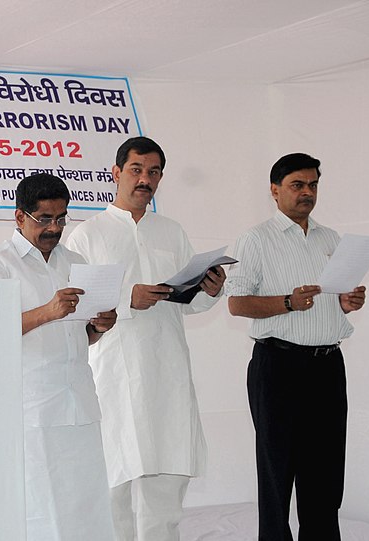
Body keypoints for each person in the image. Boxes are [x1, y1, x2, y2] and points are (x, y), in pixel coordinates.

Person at [65, 136, 225, 541]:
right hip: (113, 375)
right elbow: (76, 305)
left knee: (165, 490)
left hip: (167, 371)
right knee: (112, 486)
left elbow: (186, 305)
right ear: (116, 173)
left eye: (153, 173)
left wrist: (208, 291)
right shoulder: (88, 235)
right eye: (136, 170)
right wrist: (127, 297)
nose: (145, 180)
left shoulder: (171, 232)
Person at [225, 153, 366, 540]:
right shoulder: (255, 239)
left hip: (327, 366)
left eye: (313, 185)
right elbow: (237, 303)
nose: (307, 193)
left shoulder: (330, 239)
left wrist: (349, 301)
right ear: (274, 191)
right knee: (277, 473)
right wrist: (287, 301)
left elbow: (339, 298)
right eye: (297, 185)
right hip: (278, 366)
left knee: (325, 473)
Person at [0, 173, 117, 541]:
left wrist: (100, 326)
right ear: (20, 217)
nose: (55, 228)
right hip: (33, 410)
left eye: (62, 218)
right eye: (45, 219)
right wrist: (48, 311)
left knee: (87, 509)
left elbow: (78, 337)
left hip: (80, 404)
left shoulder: (75, 260)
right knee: (41, 513)